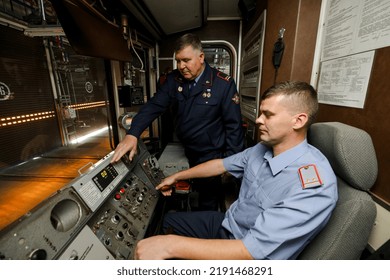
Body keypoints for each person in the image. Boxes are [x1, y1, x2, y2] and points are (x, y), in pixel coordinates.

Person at [134, 81, 338, 260]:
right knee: (163, 223)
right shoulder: (263, 148)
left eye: (268, 115)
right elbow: (220, 165)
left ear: (298, 121)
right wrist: (176, 176)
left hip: (244, 252)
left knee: (164, 243)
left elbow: (251, 252)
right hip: (229, 224)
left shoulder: (313, 187)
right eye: (260, 113)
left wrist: (169, 245)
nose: (258, 120)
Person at [111, 33, 244, 210]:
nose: (181, 66)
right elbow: (154, 106)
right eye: (178, 61)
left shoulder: (223, 84)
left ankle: (202, 230)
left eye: (186, 60)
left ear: (201, 57)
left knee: (207, 203)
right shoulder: (174, 80)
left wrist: (230, 164)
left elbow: (234, 127)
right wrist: (133, 133)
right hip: (187, 149)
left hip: (211, 155)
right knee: (180, 198)